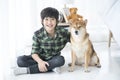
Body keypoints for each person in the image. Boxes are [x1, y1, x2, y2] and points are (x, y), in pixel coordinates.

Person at [14, 7, 70, 75]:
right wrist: (40, 62)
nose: (49, 22)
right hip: (38, 59)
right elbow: (34, 53)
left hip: (53, 59)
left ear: (57, 21)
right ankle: (51, 67)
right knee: (20, 60)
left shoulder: (63, 33)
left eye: (52, 19)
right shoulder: (37, 34)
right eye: (46, 19)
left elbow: (77, 40)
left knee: (60, 60)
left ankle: (27, 70)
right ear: (42, 21)